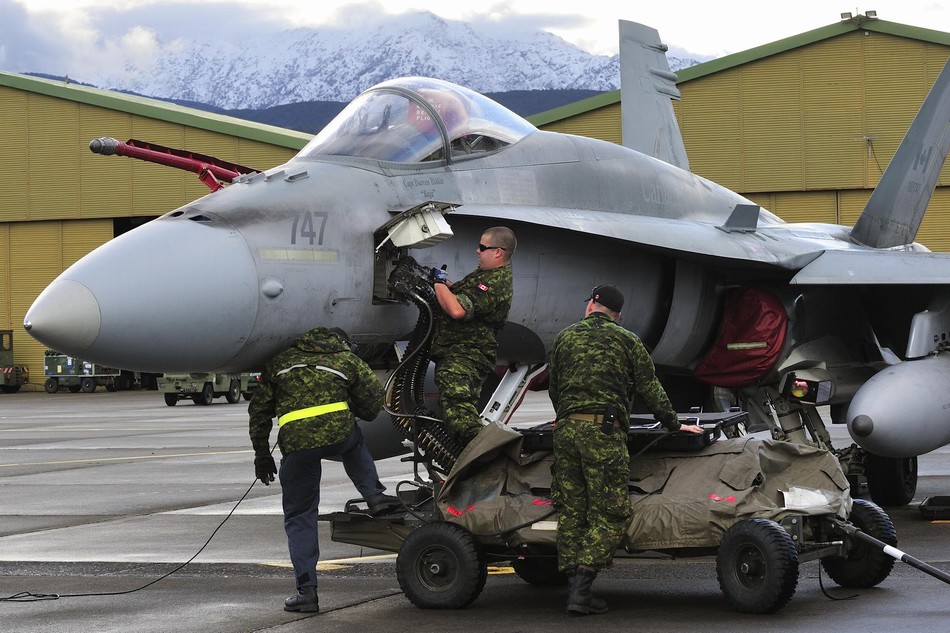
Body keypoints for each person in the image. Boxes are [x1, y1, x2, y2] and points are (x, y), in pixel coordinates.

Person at [548, 284, 703, 616]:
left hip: (566, 431)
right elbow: (650, 387)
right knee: (610, 513)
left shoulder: (564, 338)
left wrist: (567, 417)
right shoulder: (627, 340)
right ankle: (581, 590)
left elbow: (555, 388)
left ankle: (575, 585)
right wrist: (675, 424)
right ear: (618, 314)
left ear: (591, 305)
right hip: (603, 434)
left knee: (573, 512)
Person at [248, 326, 399, 613]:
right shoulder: (346, 359)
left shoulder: (280, 362)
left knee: (300, 516)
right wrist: (351, 410)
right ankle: (374, 495)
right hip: (339, 435)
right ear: (341, 342)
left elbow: (259, 412)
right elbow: (374, 402)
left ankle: (307, 593)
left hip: (297, 445)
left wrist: (262, 457)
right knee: (353, 441)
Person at [430, 226, 516, 446]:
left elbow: (458, 309)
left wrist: (438, 284)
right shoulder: (485, 275)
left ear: (498, 252)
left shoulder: (495, 282)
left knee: (459, 414)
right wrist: (442, 283)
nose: (477, 251)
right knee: (454, 411)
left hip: (467, 356)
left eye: (482, 247)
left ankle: (484, 455)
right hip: (458, 352)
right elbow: (462, 293)